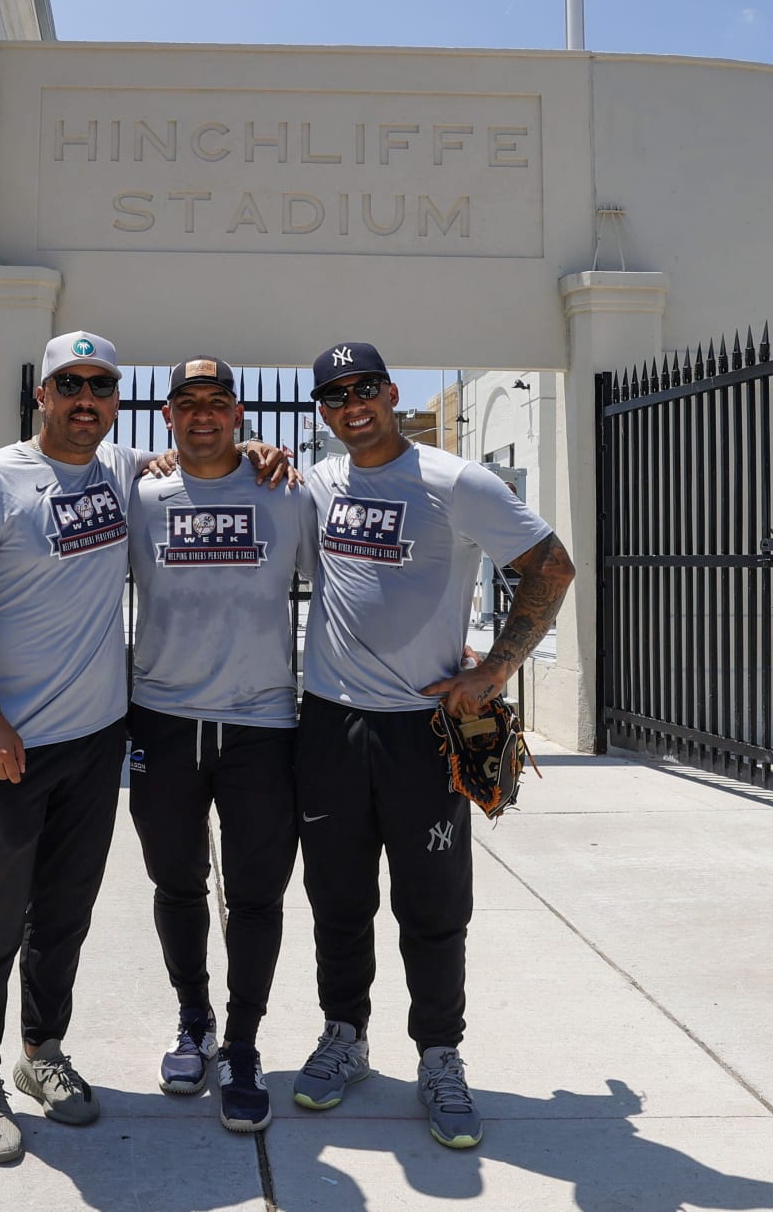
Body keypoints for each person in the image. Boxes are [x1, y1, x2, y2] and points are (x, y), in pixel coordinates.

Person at [0, 331, 290, 1165]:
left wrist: (262, 452)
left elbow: (213, 461)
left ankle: (41, 1054)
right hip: (6, 740)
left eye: (101, 386)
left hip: (94, 739)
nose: (85, 398)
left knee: (63, 915)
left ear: (117, 404)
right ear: (42, 396)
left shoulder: (127, 472)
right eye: (69, 384)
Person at [289, 341, 575, 1150]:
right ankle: (344, 1035)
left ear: (389, 392)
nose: (354, 404)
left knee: (432, 905)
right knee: (337, 897)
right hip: (330, 724)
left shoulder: (457, 481)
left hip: (423, 732)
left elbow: (551, 566)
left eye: (367, 388)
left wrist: (496, 670)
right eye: (336, 394)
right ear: (323, 409)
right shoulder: (317, 483)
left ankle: (440, 1057)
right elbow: (231, 477)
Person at [125, 356, 316, 1133]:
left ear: (240, 413)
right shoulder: (140, 493)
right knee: (175, 885)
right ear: (167, 415)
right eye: (187, 403)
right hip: (163, 720)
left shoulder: (284, 492)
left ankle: (242, 1044)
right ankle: (194, 1020)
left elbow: (349, 583)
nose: (203, 414)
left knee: (256, 893)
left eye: (217, 401)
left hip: (261, 724)